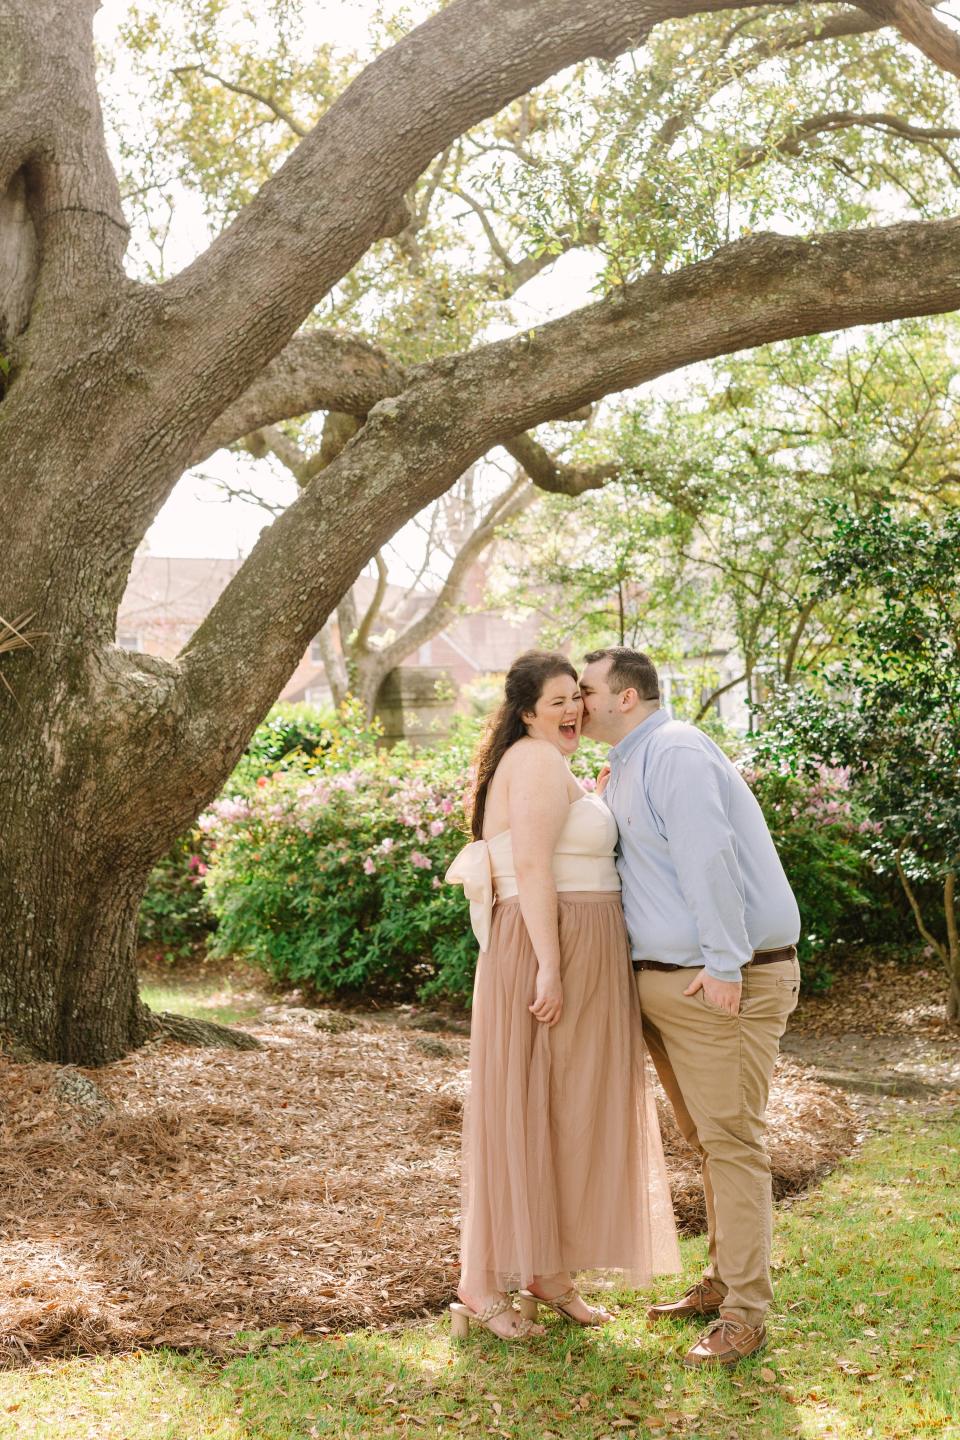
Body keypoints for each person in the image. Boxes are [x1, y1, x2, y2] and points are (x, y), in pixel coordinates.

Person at [446, 650, 679, 1341]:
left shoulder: (550, 766)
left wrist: (593, 795)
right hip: (555, 949)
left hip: (575, 944)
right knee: (526, 1108)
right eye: (557, 702)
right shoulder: (538, 761)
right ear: (526, 715)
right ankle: (480, 1285)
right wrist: (550, 966)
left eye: (577, 696)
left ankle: (548, 1274)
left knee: (562, 1107)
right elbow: (529, 867)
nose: (574, 709)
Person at [579, 646, 802, 1368]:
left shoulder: (674, 750)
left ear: (625, 697)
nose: (575, 703)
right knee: (710, 1143)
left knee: (733, 1144)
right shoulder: (635, 763)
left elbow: (710, 858)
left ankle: (746, 1314)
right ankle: (719, 1282)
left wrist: (725, 965)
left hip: (716, 983)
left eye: (584, 691)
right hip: (670, 986)